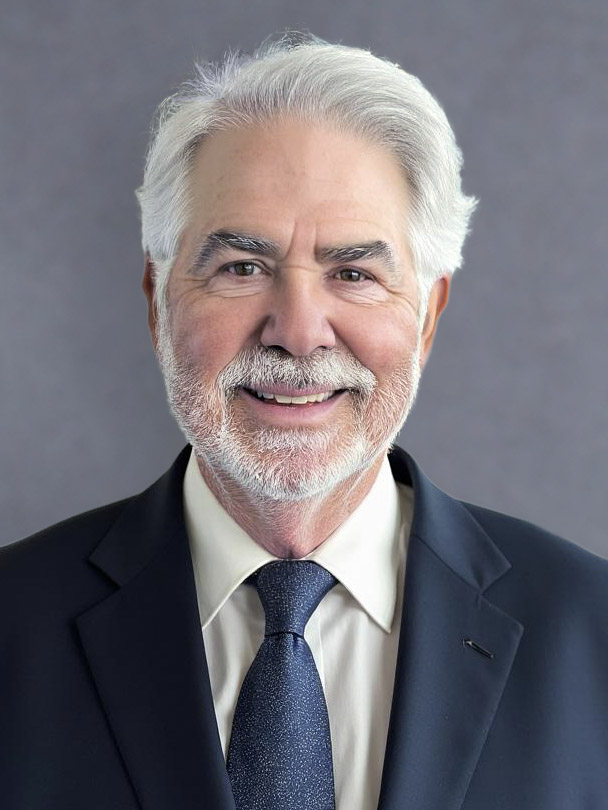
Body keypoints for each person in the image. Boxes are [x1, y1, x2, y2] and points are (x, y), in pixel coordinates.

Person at [1, 32, 607, 810]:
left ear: (426, 317)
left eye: (353, 273)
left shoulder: (592, 637)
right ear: (158, 303)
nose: (297, 328)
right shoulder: (10, 630)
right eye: (241, 268)